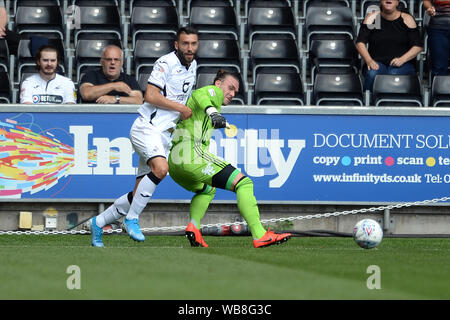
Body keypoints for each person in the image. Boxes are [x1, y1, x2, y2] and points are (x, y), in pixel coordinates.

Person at [89, 27, 199, 247]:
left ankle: (98, 223)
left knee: (138, 192)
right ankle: (131, 219)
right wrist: (180, 108)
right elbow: (150, 95)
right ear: (176, 45)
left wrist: (184, 113)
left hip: (163, 135)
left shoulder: (193, 65)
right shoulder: (165, 63)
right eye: (185, 43)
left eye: (193, 43)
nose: (189, 48)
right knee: (161, 169)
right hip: (147, 128)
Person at [168, 70, 292, 248]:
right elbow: (202, 95)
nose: (232, 94)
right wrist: (213, 113)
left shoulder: (206, 107)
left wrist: (215, 117)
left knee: (207, 190)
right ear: (218, 83)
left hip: (174, 164)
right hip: (190, 156)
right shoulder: (212, 92)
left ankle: (194, 227)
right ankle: (259, 234)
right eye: (230, 88)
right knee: (244, 183)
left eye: (236, 91)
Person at [355, 0, 423, 92]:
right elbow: (360, 42)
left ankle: (396, 104)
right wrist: (369, 60)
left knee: (393, 73)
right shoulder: (373, 18)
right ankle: (369, 102)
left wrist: (402, 59)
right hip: (377, 63)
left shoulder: (407, 19)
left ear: (397, 2)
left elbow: (418, 46)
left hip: (403, 64)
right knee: (372, 74)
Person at [79, 45, 143, 104]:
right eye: (108, 59)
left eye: (116, 59)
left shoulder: (129, 80)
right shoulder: (91, 76)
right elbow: (86, 94)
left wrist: (116, 99)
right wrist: (114, 86)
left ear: (122, 63)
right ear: (101, 62)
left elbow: (138, 100)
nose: (112, 62)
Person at [423, 0, 450, 78]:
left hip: (438, 28)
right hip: (438, 27)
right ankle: (438, 89)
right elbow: (426, 1)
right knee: (439, 67)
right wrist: (429, 8)